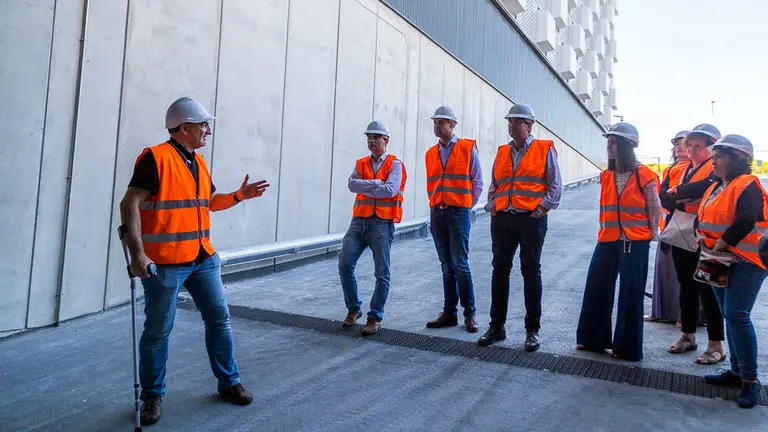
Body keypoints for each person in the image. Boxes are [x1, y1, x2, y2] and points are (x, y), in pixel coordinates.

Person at [119, 97, 269, 426]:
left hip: (202, 258)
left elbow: (209, 202)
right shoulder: (154, 158)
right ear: (184, 128)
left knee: (219, 320)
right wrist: (138, 254)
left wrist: (239, 196)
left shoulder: (197, 162)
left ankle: (229, 383)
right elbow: (129, 203)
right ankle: (152, 396)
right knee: (158, 331)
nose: (208, 130)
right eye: (203, 125)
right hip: (165, 264)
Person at [477, 104, 562, 351]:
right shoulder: (503, 151)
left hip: (530, 220)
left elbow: (555, 185)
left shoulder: (544, 149)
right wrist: (493, 207)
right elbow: (494, 184)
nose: (511, 125)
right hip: (503, 218)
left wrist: (541, 209)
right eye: (509, 121)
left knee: (531, 272)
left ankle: (532, 330)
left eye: (516, 122)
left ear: (529, 125)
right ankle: (496, 327)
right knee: (499, 271)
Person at [576, 122, 661, 361]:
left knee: (631, 294)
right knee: (596, 287)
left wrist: (652, 233)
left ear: (626, 146)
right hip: (607, 239)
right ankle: (592, 340)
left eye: (612, 143)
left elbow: (655, 208)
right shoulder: (606, 176)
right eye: (608, 143)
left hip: (635, 242)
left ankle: (627, 348)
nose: (608, 147)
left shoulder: (644, 175)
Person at [698, 135, 768, 408]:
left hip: (747, 260)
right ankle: (737, 372)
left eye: (719, 156)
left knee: (737, 315)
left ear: (739, 158)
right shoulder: (718, 186)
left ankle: (750, 381)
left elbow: (748, 218)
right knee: (729, 315)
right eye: (714, 156)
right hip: (718, 258)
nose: (713, 161)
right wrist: (700, 237)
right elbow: (705, 216)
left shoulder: (747, 184)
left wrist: (722, 243)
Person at [660, 124, 726, 364]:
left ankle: (716, 344)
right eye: (690, 146)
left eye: (698, 146)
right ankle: (687, 336)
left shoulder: (717, 168)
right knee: (685, 283)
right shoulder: (682, 168)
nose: (692, 150)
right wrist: (679, 194)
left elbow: (705, 186)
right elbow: (663, 192)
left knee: (708, 288)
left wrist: (678, 192)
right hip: (681, 228)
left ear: (712, 149)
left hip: (707, 236)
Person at [338, 120, 407, 336]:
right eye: (369, 137)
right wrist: (377, 183)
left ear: (386, 140)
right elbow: (351, 185)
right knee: (344, 264)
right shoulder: (360, 163)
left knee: (381, 272)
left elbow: (390, 190)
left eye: (376, 137)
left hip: (381, 223)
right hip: (358, 221)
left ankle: (375, 316)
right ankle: (353, 309)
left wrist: (367, 184)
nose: (371, 141)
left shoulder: (396, 164)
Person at [424, 106, 484, 333]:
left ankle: (470, 314)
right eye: (435, 122)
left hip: (458, 213)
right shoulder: (431, 153)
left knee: (460, 264)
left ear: (452, 125)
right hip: (437, 213)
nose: (436, 126)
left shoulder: (467, 148)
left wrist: (466, 206)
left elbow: (477, 181)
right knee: (446, 265)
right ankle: (449, 313)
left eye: (441, 122)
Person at [646, 130, 690, 323]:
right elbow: (661, 193)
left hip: (686, 224)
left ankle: (684, 315)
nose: (679, 146)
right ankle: (663, 312)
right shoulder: (670, 169)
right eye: (677, 143)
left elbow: (674, 195)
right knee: (665, 267)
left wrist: (671, 196)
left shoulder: (696, 169)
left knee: (683, 271)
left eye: (684, 143)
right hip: (670, 223)